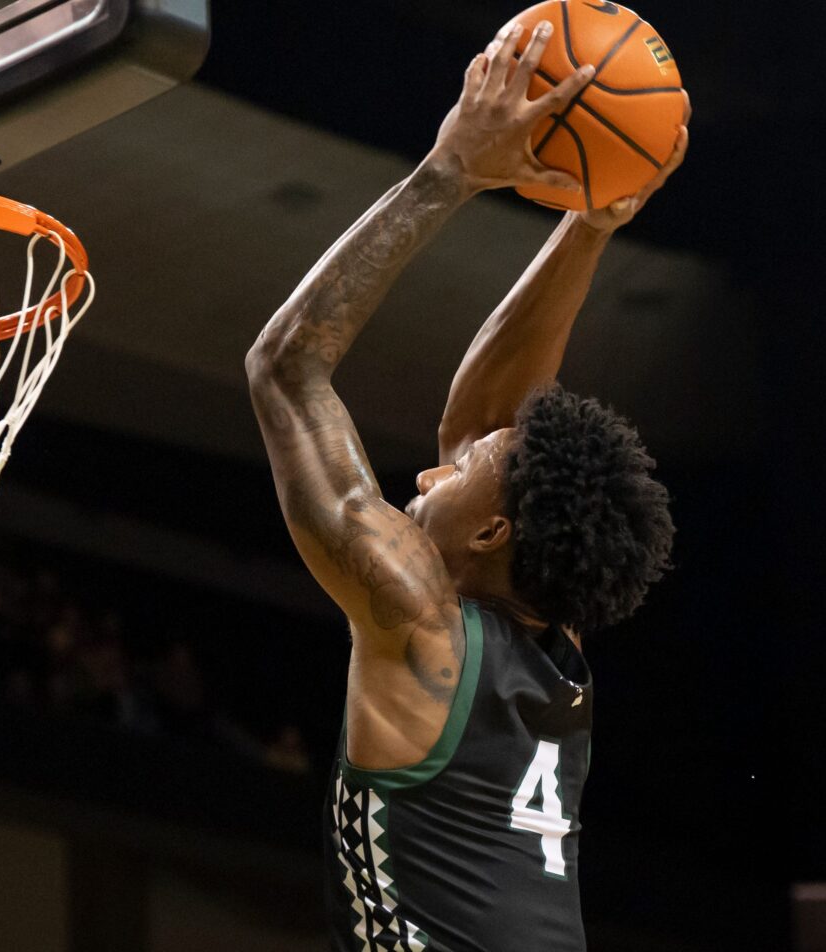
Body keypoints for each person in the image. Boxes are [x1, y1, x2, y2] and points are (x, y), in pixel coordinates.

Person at [244, 20, 687, 951]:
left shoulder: (421, 626)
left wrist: (451, 171)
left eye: (459, 471)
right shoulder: (550, 653)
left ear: (494, 535)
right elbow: (497, 423)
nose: (432, 466)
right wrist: (588, 225)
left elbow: (286, 370)